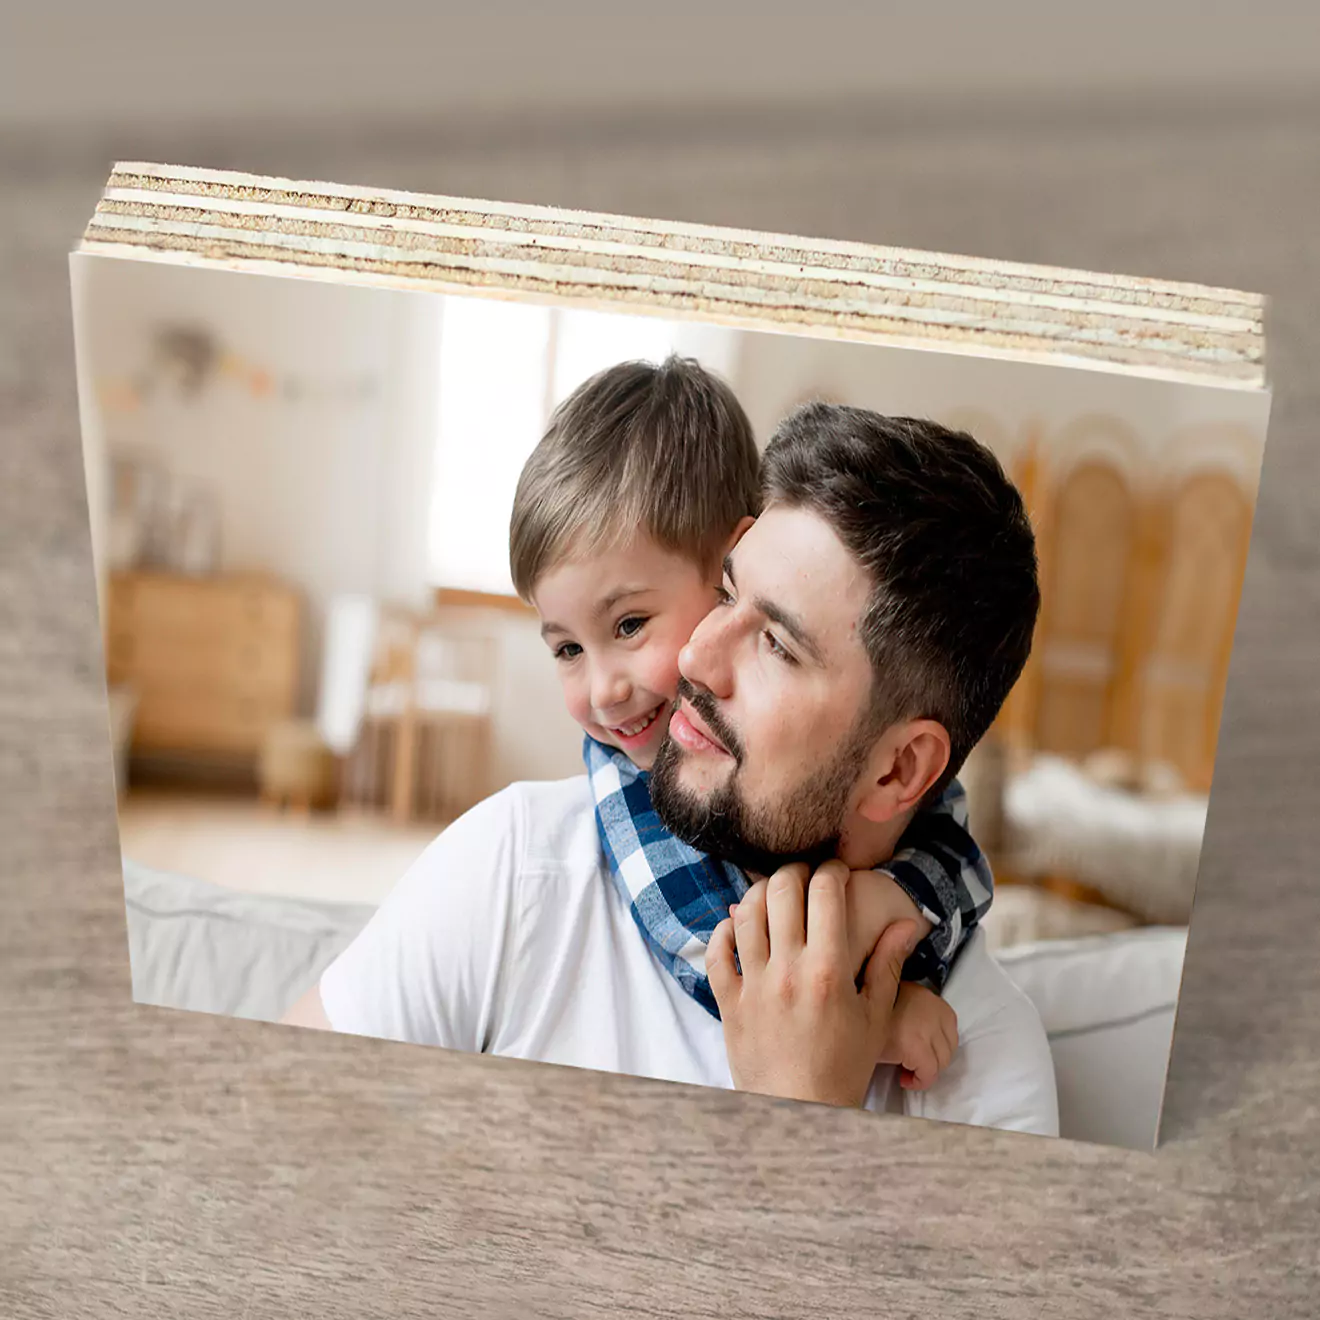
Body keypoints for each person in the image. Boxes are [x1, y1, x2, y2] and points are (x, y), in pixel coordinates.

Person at [284, 370, 1057, 1135]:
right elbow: (273, 1135)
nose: (694, 661)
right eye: (725, 594)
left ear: (898, 771)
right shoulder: (517, 870)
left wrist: (804, 1110)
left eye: (776, 645)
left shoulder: (980, 1064)